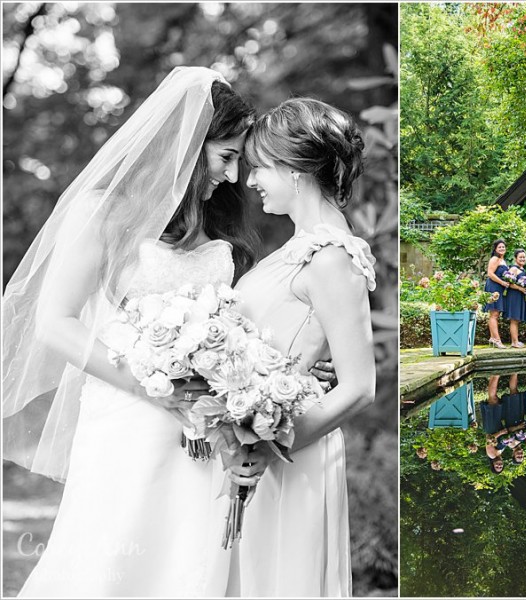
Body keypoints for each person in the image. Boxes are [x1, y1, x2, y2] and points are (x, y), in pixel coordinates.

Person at [3, 67, 266, 596]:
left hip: (207, 427)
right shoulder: (102, 214)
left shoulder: (217, 229)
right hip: (127, 418)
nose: (234, 176)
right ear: (191, 147)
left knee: (191, 564)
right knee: (114, 562)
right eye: (227, 156)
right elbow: (56, 323)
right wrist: (161, 390)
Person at [219, 97, 377, 596]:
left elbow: (359, 386)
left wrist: (268, 446)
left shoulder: (333, 257)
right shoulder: (300, 246)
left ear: (295, 169)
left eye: (260, 167)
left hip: (291, 452)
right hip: (267, 436)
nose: (250, 180)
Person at [484, 239, 510, 348]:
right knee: (494, 314)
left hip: (499, 287)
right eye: (499, 247)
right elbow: (490, 273)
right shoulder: (495, 259)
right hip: (494, 287)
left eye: (503, 247)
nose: (502, 249)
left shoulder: (502, 260)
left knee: (496, 314)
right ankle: (497, 339)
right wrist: (503, 282)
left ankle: (492, 337)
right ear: (495, 249)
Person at [504, 249, 526, 348]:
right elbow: (509, 283)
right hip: (514, 295)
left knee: (517, 319)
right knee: (514, 319)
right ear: (515, 258)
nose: (523, 259)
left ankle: (516, 340)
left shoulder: (522, 269)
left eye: (524, 257)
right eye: (520, 257)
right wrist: (520, 288)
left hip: (520, 295)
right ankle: (514, 342)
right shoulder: (514, 269)